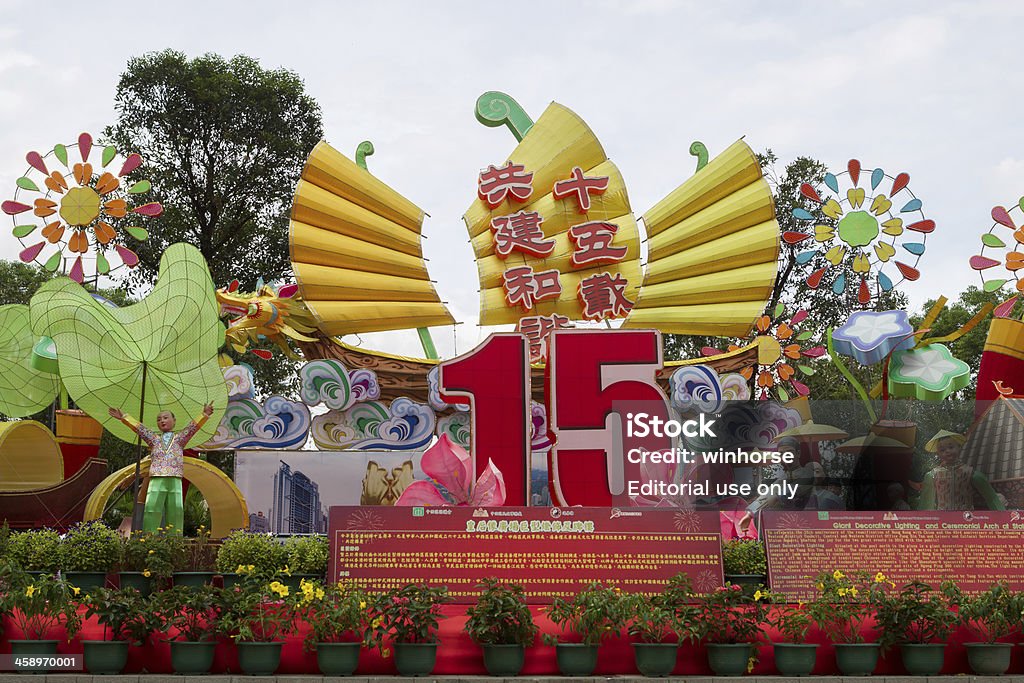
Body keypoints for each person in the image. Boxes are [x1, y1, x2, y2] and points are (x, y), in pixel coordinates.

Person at [108, 403, 214, 533]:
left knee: (176, 510)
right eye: (159, 419)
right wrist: (124, 417)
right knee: (152, 509)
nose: (162, 421)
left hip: (175, 479)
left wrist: (204, 415)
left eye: (165, 418)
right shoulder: (154, 439)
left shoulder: (180, 439)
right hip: (156, 478)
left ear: (174, 421)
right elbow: (140, 429)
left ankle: (175, 542)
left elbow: (192, 428)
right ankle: (148, 539)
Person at [917, 430, 1004, 511]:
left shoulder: (970, 473)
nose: (947, 451)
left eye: (951, 447)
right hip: (943, 519)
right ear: (938, 453)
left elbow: (991, 497)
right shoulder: (933, 475)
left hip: (965, 519)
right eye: (942, 450)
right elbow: (926, 503)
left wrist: (1002, 517)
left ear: (959, 447)